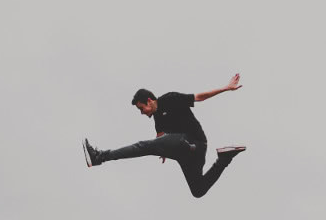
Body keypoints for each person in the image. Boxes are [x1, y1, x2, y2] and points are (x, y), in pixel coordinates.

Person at [82, 74, 248, 198]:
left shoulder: (170, 99)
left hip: (195, 143)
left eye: (142, 109)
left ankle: (100, 156)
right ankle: (225, 158)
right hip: (187, 155)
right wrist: (163, 150)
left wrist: (226, 88)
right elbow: (160, 138)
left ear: (149, 101)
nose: (142, 113)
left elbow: (199, 97)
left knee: (144, 146)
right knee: (198, 190)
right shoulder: (157, 119)